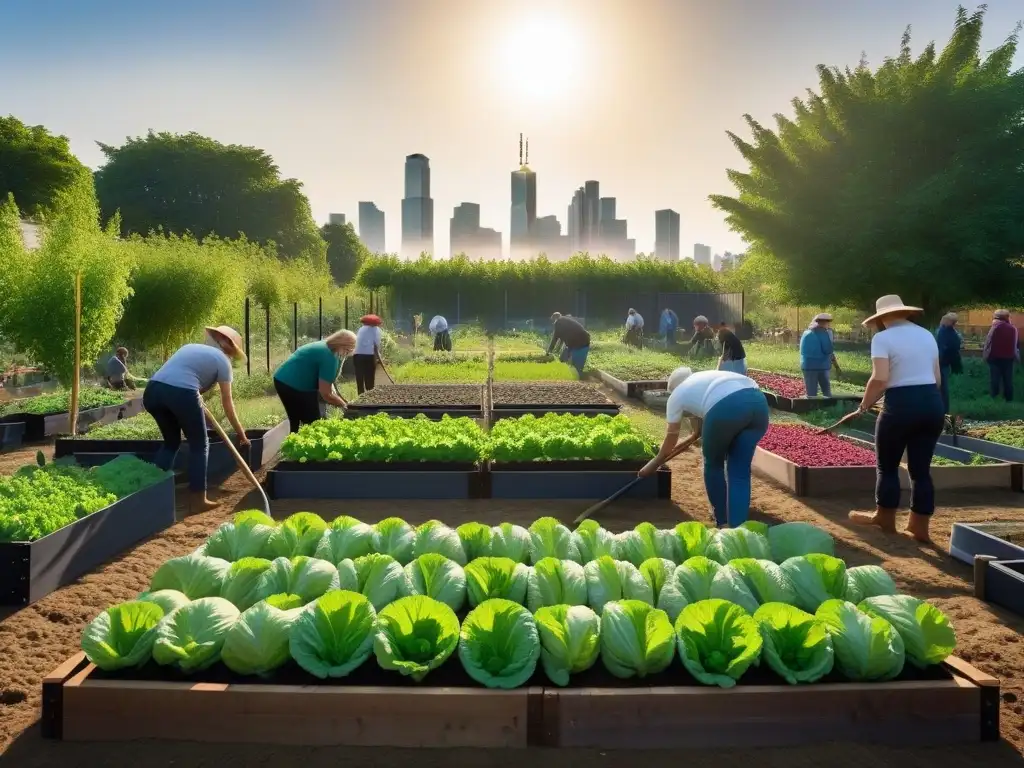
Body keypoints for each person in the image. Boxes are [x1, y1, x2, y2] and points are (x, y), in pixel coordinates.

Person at [848, 295, 944, 543]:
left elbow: (880, 378)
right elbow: (937, 378)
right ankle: (919, 527)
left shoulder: (882, 338)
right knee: (921, 470)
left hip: (900, 405)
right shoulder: (926, 335)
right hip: (932, 403)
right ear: (904, 313)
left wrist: (864, 404)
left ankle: (885, 518)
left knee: (887, 466)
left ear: (881, 319)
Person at [640, 366, 769, 528]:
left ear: (673, 388)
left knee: (713, 464)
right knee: (739, 472)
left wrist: (655, 462)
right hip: (758, 405)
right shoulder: (703, 379)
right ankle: (738, 528)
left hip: (726, 407)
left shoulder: (676, 395)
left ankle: (722, 521)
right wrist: (694, 434)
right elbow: (698, 428)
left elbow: (671, 437)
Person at [144, 326, 248, 515]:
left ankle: (151, 494)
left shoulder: (189, 347)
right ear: (230, 348)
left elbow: (180, 377)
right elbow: (227, 404)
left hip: (152, 392)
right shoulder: (223, 361)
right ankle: (198, 500)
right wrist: (241, 434)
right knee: (200, 445)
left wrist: (193, 395)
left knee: (171, 442)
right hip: (181, 393)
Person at [273, 330, 355, 433]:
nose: (348, 354)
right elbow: (326, 394)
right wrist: (344, 406)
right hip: (291, 383)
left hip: (284, 378)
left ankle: (295, 440)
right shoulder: (329, 356)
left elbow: (328, 384)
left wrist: (340, 400)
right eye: (348, 350)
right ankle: (298, 442)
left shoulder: (326, 347)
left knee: (300, 419)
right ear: (343, 345)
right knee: (311, 422)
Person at [983, 309, 1019, 402]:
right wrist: (1017, 357)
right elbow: (1014, 345)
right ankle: (1009, 401)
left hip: (994, 358)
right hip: (1008, 358)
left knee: (995, 380)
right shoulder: (1013, 328)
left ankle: (994, 400)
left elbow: (988, 343)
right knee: (1008, 381)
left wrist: (985, 355)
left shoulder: (994, 327)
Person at [800, 314, 835, 397]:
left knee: (811, 392)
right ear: (823, 323)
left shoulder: (806, 333)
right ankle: (827, 407)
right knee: (826, 391)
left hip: (807, 366)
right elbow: (828, 350)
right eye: (828, 323)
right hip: (822, 366)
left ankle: (811, 407)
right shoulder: (823, 333)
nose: (828, 325)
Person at [547, 312, 591, 377]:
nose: (553, 323)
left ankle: (580, 382)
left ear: (555, 319)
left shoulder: (559, 322)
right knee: (562, 359)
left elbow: (554, 339)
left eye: (553, 321)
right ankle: (562, 374)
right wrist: (556, 350)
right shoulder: (564, 322)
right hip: (575, 343)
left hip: (581, 344)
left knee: (577, 369)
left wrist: (548, 352)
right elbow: (561, 340)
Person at [935, 312, 963, 414]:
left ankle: (943, 411)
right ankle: (944, 410)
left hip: (941, 362)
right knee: (943, 386)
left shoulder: (943, 331)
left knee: (941, 387)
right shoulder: (953, 332)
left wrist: (937, 361)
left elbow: (941, 348)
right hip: (947, 363)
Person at [353, 314, 383, 394]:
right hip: (369, 355)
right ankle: (369, 395)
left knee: (359, 376)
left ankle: (360, 396)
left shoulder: (361, 329)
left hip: (357, 355)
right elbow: (376, 345)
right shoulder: (377, 330)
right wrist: (378, 357)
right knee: (369, 376)